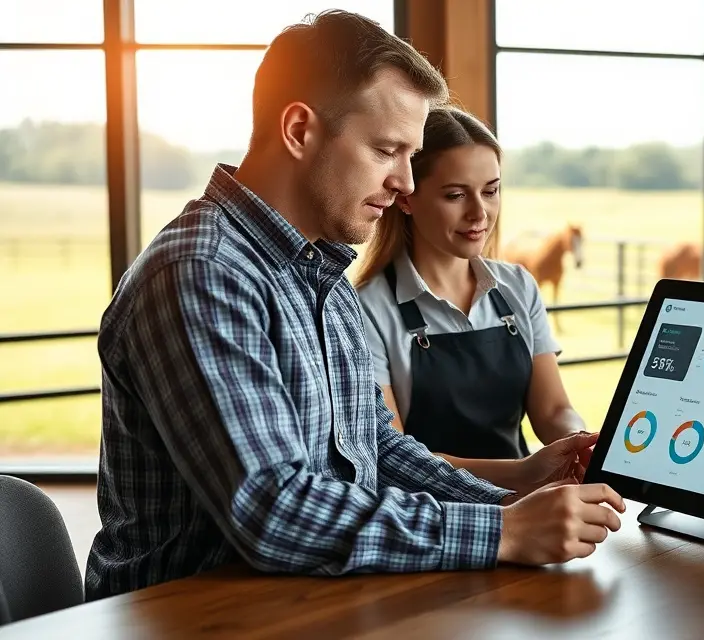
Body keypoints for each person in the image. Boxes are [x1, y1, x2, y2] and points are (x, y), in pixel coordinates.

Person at [85, 10, 624, 601]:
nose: (406, 184)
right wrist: (502, 530)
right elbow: (272, 509)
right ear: (299, 130)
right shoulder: (202, 272)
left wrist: (512, 503)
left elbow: (375, 447)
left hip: (304, 602)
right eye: (387, 150)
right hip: (187, 616)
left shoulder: (321, 272)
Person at [355, 106, 585, 463]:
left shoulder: (518, 287)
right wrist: (525, 473)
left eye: (490, 191)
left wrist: (582, 444)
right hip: (432, 499)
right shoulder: (367, 309)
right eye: (456, 195)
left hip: (532, 490)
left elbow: (554, 412)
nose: (480, 213)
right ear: (406, 198)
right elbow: (396, 459)